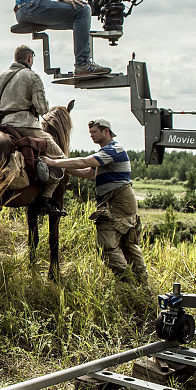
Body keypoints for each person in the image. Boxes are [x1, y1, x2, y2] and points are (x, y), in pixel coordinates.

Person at [43, 118, 147, 283]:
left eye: (94, 132)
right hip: (120, 200)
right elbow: (88, 173)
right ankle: (141, 283)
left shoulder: (114, 149)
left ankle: (128, 282)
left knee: (107, 244)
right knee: (128, 244)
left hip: (118, 200)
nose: (91, 135)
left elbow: (84, 162)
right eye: (90, 132)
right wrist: (62, 167)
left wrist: (53, 161)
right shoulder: (105, 153)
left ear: (106, 131)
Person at [0, 44, 67, 215]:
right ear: (30, 58)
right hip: (27, 125)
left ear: (16, 58)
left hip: (4, 126)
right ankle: (45, 200)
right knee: (61, 159)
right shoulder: (32, 76)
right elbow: (42, 108)